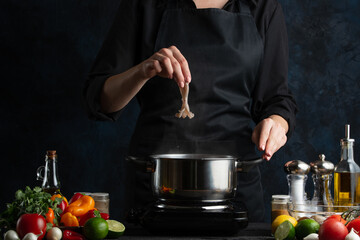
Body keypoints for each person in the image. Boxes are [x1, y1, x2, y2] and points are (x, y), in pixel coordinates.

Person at [83, 0, 297, 221]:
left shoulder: (262, 6)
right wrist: (143, 70)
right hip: (157, 182)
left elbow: (277, 98)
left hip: (235, 184)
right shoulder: (144, 4)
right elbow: (99, 100)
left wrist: (276, 122)